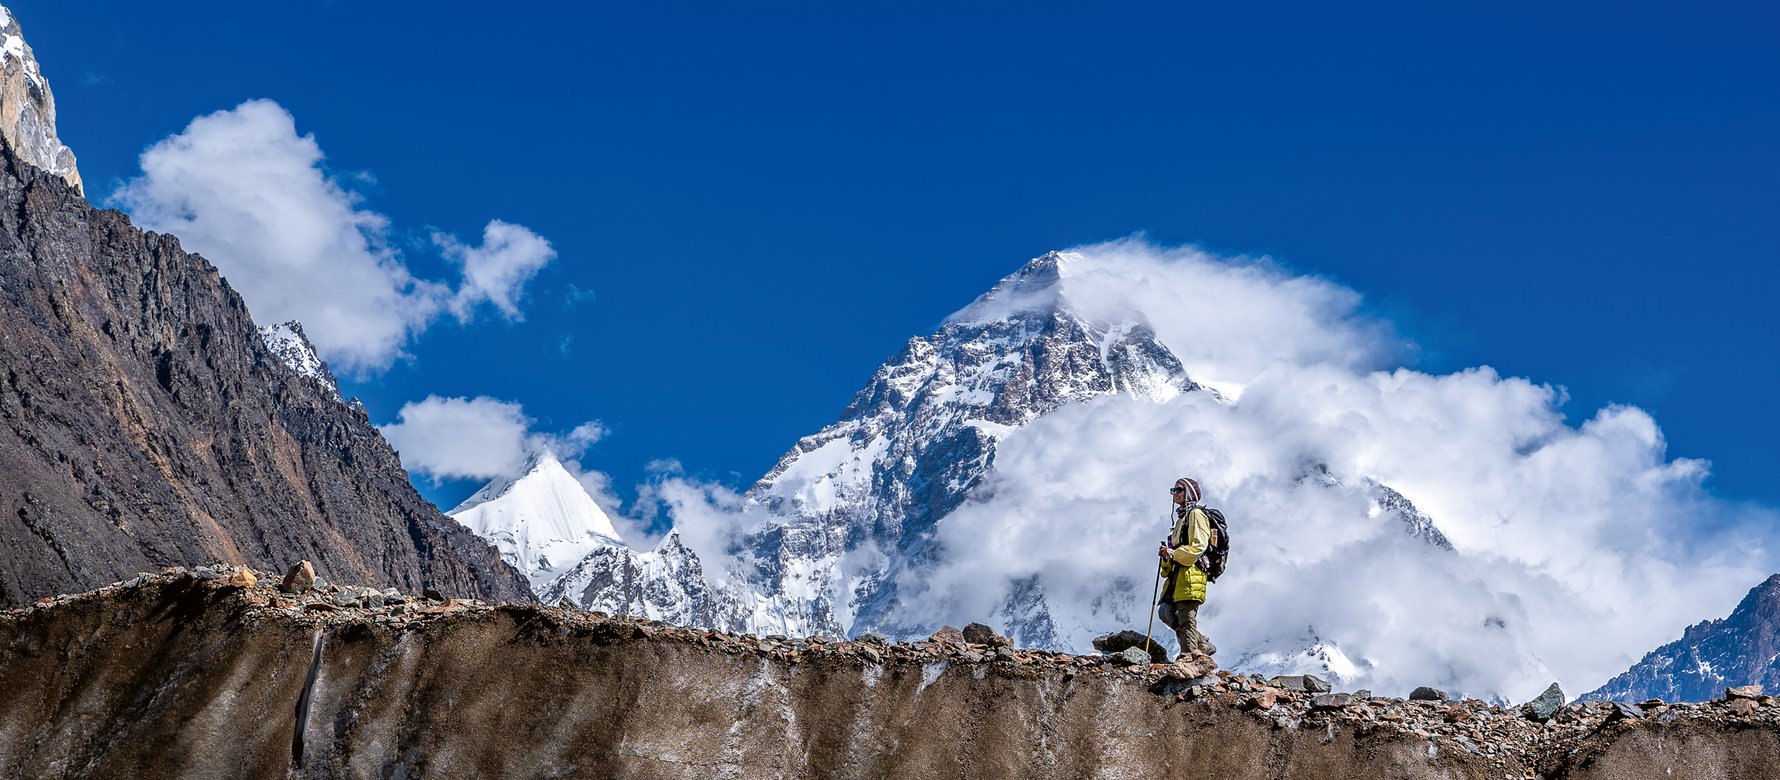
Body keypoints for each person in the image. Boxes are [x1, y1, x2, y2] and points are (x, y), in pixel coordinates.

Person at [1157, 476, 1217, 658]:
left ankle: (1189, 658)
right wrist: (1167, 555)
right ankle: (1202, 644)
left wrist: (1173, 553)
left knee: (1186, 617)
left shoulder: (1196, 515)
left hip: (1192, 573)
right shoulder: (1182, 518)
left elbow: (1199, 545)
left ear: (1189, 493)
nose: (1174, 494)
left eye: (1178, 490)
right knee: (1166, 612)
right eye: (1173, 490)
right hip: (1178, 575)